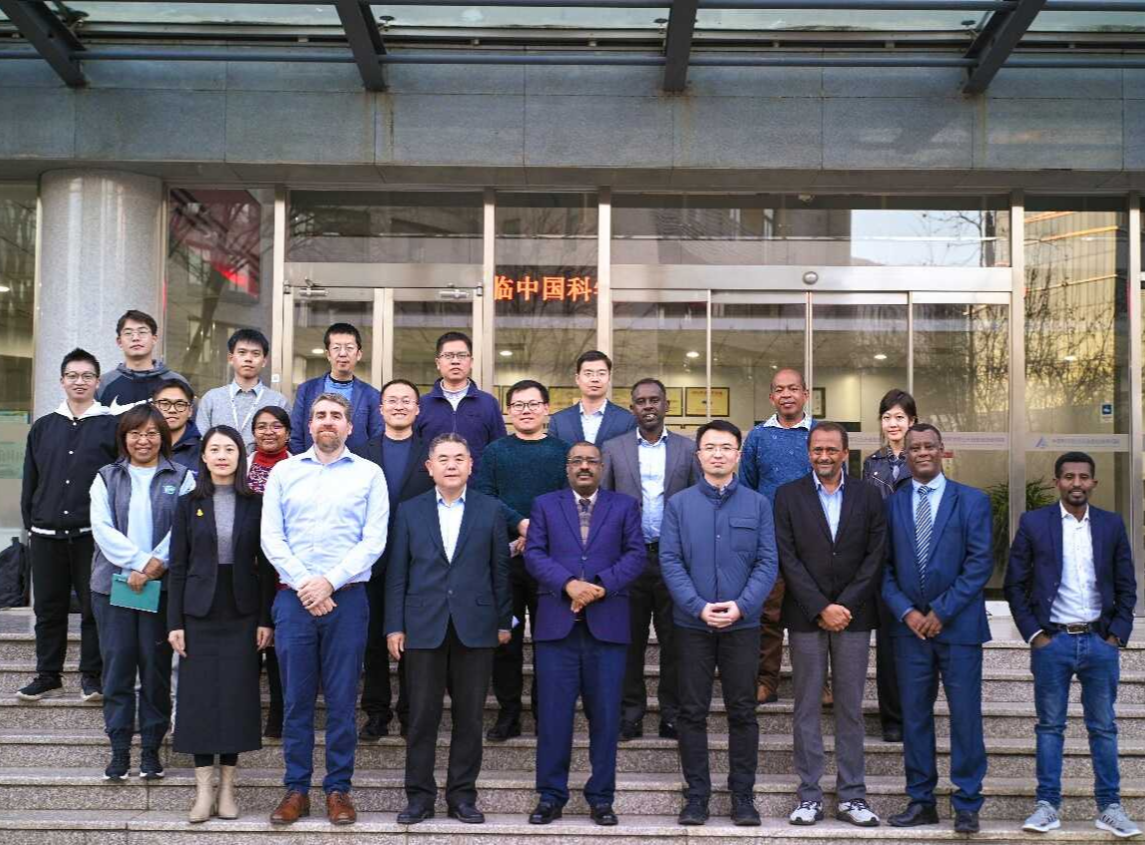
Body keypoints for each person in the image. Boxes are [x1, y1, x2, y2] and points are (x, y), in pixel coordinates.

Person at [261, 393, 389, 827]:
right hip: (294, 600)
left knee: (341, 700)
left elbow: (374, 540)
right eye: (320, 416)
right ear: (309, 425)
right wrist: (307, 584)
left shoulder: (369, 474)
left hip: (347, 599)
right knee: (296, 700)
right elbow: (271, 537)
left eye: (336, 416)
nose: (327, 422)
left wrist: (329, 582)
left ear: (349, 427)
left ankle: (338, 789)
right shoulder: (285, 472)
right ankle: (296, 789)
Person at [1005, 452, 1140, 839]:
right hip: (1054, 642)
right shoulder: (1034, 523)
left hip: (1099, 642)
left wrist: (1116, 635)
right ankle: (1047, 806)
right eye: (1068, 477)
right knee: (1050, 727)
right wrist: (1036, 635)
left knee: (1104, 728)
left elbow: (1126, 584)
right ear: (1057, 482)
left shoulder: (1111, 525)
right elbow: (1015, 584)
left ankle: (1110, 808)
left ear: (1093, 482)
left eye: (1083, 477)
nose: (1076, 483)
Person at [385, 433, 511, 826]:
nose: (451, 464)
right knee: (421, 717)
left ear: (471, 465)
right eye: (443, 458)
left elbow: (500, 571)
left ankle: (462, 797)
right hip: (423, 626)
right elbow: (397, 573)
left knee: (470, 718)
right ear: (430, 467)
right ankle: (419, 798)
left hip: (476, 626)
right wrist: (394, 626)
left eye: (459, 457)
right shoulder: (409, 511)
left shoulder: (491, 510)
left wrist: (503, 621)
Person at [660, 420, 777, 827]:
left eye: (726, 447)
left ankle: (743, 797)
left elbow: (767, 562)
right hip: (692, 626)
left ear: (738, 455)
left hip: (742, 627)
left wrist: (742, 607)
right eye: (710, 447)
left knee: (742, 711)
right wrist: (697, 607)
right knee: (691, 712)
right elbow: (670, 560)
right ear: (698, 455)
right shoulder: (679, 505)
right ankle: (697, 797)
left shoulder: (758, 505)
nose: (718, 454)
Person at [523, 440, 645, 826]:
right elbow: (534, 554)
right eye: (577, 461)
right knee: (553, 718)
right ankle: (550, 796)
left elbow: (636, 555)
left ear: (602, 467)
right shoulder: (545, 505)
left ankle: (602, 798)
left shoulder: (624, 506)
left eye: (591, 461)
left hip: (606, 628)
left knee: (606, 719)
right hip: (557, 629)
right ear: (567, 468)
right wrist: (568, 585)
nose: (584, 466)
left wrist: (599, 586)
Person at [774, 422, 887, 828]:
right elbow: (787, 556)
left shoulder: (868, 495)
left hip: (854, 617)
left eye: (831, 450)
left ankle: (852, 796)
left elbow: (876, 554)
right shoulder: (788, 496)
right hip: (806, 616)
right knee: (806, 706)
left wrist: (845, 605)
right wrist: (821, 606)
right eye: (817, 449)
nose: (824, 456)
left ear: (844, 453)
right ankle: (809, 796)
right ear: (809, 453)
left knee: (850, 708)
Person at [882, 423, 992, 834]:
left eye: (930, 446)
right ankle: (921, 800)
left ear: (942, 450)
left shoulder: (972, 500)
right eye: (915, 448)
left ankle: (967, 802)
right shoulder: (891, 504)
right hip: (910, 632)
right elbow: (883, 568)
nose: (923, 452)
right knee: (914, 719)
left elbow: (980, 562)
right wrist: (907, 612)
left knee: (965, 718)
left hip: (959, 629)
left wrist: (941, 611)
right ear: (906, 454)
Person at [167, 425, 275, 823]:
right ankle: (202, 790)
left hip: (242, 609)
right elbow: (178, 566)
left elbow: (266, 567)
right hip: (198, 611)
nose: (222, 456)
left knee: (235, 697)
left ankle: (228, 788)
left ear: (240, 456)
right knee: (199, 699)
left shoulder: (256, 503)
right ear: (204, 456)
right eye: (215, 449)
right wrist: (175, 621)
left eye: (230, 449)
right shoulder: (187, 504)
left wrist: (265, 618)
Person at [88, 404, 195, 781]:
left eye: (151, 433)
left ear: (163, 437)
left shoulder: (183, 477)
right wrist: (138, 563)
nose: (143, 440)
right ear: (124, 437)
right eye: (135, 433)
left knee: (155, 669)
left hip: (160, 589)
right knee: (117, 668)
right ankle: (119, 750)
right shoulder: (106, 477)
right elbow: (102, 529)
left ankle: (151, 749)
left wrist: (153, 567)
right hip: (113, 588)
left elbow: (183, 530)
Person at [17, 349, 117, 703]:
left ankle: (92, 676)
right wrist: (32, 524)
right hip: (46, 535)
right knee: (48, 608)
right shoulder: (44, 426)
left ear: (97, 382)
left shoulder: (110, 426)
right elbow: (31, 479)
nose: (79, 382)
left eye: (87, 376)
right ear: (62, 381)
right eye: (72, 375)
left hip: (91, 535)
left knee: (93, 607)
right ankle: (48, 674)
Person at [600, 378, 697, 741]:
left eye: (655, 400)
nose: (648, 406)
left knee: (675, 643)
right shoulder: (613, 448)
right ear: (632, 409)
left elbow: (696, 503)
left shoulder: (688, 449)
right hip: (630, 560)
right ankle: (630, 715)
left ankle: (671, 715)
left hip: (673, 559)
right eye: (641, 401)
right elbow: (605, 504)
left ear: (667, 405)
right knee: (630, 643)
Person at [476, 379, 570, 742]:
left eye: (532, 404)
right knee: (506, 640)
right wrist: (521, 523)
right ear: (508, 411)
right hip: (506, 559)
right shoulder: (495, 452)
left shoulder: (562, 452)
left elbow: (569, 500)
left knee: (550, 641)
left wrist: (536, 532)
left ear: (547, 409)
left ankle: (545, 713)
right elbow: (485, 496)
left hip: (551, 562)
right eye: (518, 405)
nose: (525, 411)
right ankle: (509, 713)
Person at [359, 379, 433, 741]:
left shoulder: (432, 453)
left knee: (413, 639)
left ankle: (409, 712)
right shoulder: (361, 453)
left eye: (407, 400)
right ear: (381, 409)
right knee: (373, 640)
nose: (399, 406)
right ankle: (376, 712)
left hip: (419, 561)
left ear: (417, 409)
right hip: (371, 561)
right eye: (392, 400)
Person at [739, 367, 819, 705]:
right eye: (780, 390)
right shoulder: (758, 437)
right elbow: (746, 488)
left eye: (793, 388)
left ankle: (818, 684)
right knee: (767, 615)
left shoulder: (820, 433)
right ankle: (766, 681)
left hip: (813, 543)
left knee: (813, 613)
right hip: (769, 542)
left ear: (805, 394)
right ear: (771, 397)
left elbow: (836, 486)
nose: (787, 395)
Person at [862, 388, 917, 744]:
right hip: (882, 560)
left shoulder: (922, 457)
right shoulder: (872, 463)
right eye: (887, 417)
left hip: (917, 559)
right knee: (886, 646)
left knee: (914, 643)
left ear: (912, 421)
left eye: (899, 417)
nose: (893, 423)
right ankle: (892, 718)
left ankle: (915, 713)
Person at [245, 405, 293, 739]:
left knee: (280, 647)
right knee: (249, 644)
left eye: (276, 426)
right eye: (262, 426)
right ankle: (245, 718)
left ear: (288, 432)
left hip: (282, 568)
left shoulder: (298, 466)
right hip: (248, 567)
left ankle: (279, 718)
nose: (269, 432)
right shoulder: (242, 465)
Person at [414, 331, 506, 469]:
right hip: (431, 481)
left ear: (471, 362)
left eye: (462, 355)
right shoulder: (422, 404)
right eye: (448, 356)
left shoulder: (488, 403)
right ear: (438, 363)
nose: (455, 361)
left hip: (477, 481)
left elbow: (499, 449)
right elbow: (414, 451)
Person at [288, 323, 382, 456]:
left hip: (356, 465)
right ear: (328, 354)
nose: (343, 353)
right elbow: (296, 434)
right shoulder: (307, 390)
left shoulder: (371, 395)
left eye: (349, 348)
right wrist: (305, 463)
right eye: (336, 348)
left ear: (358, 354)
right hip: (312, 465)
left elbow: (376, 439)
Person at [195, 328, 291, 455]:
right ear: (230, 358)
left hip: (265, 466)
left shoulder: (278, 401)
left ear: (264, 361)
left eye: (255, 354)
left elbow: (286, 441)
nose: (248, 359)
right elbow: (202, 441)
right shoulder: (211, 398)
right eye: (242, 352)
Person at [96, 309, 190, 412]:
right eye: (128, 333)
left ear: (154, 339)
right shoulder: (104, 383)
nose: (135, 338)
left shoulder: (176, 381)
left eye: (142, 332)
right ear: (119, 342)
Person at [547, 350, 637, 446]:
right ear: (577, 379)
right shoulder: (559, 420)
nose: (595, 379)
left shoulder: (627, 420)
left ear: (609, 378)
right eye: (588, 374)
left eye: (601, 374)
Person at [153, 380, 201, 472]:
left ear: (190, 411)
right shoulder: (141, 445)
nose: (172, 410)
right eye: (164, 404)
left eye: (180, 404)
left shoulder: (204, 450)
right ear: (153, 407)